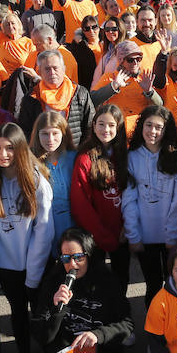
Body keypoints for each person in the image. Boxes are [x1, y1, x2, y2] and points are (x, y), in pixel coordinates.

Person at [0, 123, 55, 353]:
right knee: (18, 314)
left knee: (44, 314)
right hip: (7, 265)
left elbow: (44, 231)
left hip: (36, 263)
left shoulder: (37, 180)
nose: (3, 154)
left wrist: (33, 274)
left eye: (9, 148)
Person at [122, 105, 177, 307]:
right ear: (141, 126)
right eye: (149, 125)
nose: (153, 131)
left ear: (166, 129)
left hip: (173, 236)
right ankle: (155, 331)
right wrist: (133, 235)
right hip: (145, 238)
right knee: (152, 285)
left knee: (176, 284)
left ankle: (176, 330)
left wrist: (171, 235)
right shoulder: (132, 157)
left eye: (159, 127)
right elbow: (129, 199)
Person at [69, 105, 129, 292]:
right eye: (101, 124)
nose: (106, 130)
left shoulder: (125, 155)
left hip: (122, 233)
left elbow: (132, 194)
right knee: (98, 285)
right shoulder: (85, 158)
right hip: (95, 237)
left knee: (121, 282)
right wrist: (103, 237)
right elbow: (81, 206)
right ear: (93, 126)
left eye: (111, 125)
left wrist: (128, 227)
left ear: (119, 128)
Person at [32, 112, 76, 239]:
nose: (50, 139)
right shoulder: (32, 163)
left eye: (55, 133)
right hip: (45, 229)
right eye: (45, 134)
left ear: (63, 133)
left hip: (74, 227)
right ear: (37, 135)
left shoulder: (74, 158)